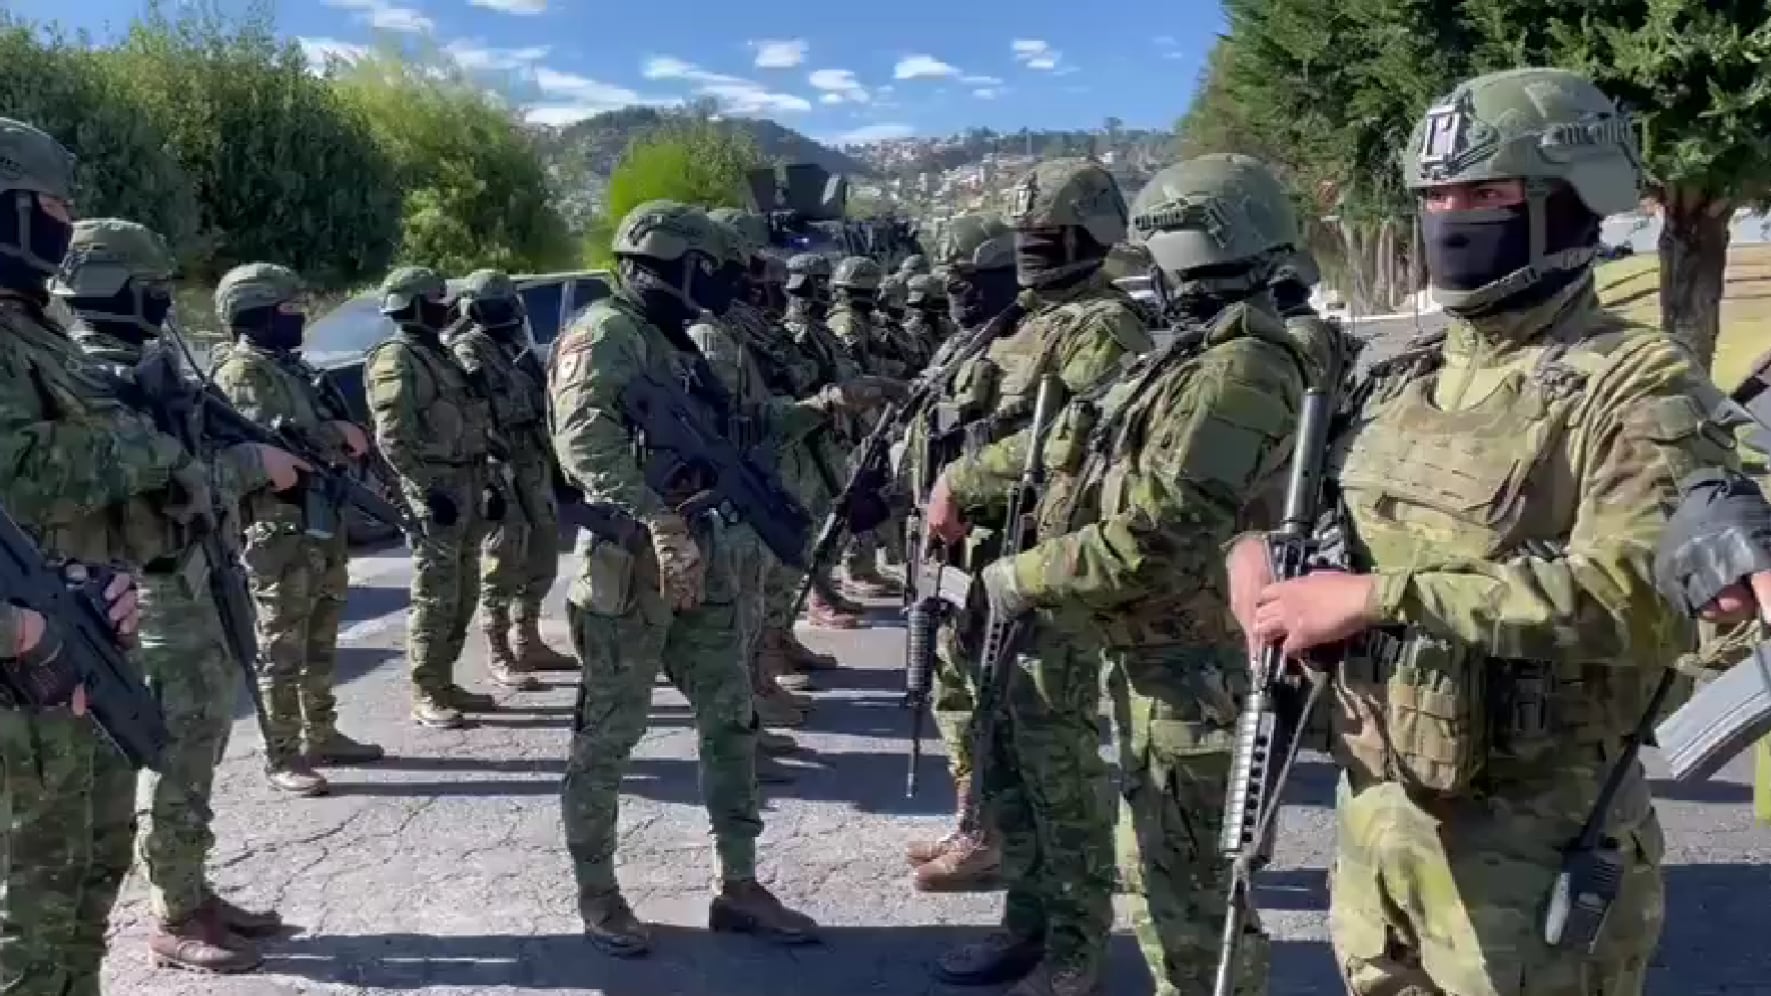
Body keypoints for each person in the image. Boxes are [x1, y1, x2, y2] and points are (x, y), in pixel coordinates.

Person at [1230, 67, 1734, 996]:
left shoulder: (1633, 383)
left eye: (1484, 194)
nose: (1448, 218)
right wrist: (1254, 561)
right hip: (1378, 825)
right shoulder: (1401, 377)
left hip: (1531, 851)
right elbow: (1306, 525)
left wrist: (1378, 598)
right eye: (1434, 197)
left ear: (1570, 199)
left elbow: (1644, 600)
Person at [940, 153, 1348, 996]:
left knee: (1189, 905)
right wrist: (964, 478)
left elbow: (1158, 534)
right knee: (1163, 883)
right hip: (1153, 658)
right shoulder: (1191, 353)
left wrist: (1017, 576)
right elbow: (1072, 443)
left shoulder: (1241, 368)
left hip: (1198, 672)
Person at [549, 199, 818, 957]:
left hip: (707, 561)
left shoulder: (676, 341)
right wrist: (657, 523)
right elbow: (583, 446)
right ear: (685, 264)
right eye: (717, 270)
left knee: (731, 720)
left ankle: (739, 885)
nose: (728, 284)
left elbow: (735, 431)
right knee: (608, 737)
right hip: (631, 570)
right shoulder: (604, 333)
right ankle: (599, 895)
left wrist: (823, 407)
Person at [921, 158, 1155, 994]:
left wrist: (962, 479)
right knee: (1004, 764)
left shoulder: (1104, 329)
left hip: (1047, 583)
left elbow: (1082, 446)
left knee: (1061, 775)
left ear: (1091, 237)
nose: (1028, 248)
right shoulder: (1021, 323)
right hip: (986, 572)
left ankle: (1075, 948)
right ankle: (1026, 922)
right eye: (1022, 233)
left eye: (1045, 234)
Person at [58, 219, 309, 972]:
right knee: (174, 755)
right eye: (154, 286)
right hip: (158, 596)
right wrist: (252, 466)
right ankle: (173, 913)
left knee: (201, 749)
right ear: (119, 288)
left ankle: (192, 890)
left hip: (195, 582)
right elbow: (150, 486)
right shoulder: (93, 376)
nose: (164, 300)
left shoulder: (140, 365)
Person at [210, 261, 386, 796]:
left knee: (321, 632)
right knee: (281, 644)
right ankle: (282, 753)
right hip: (277, 527)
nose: (298, 317)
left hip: (316, 519)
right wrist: (335, 433)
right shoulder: (243, 372)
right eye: (288, 308)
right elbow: (269, 439)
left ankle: (322, 731)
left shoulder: (290, 369)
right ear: (256, 313)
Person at [900, 211, 1019, 887]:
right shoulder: (960, 346)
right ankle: (972, 821)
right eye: (949, 279)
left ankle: (991, 835)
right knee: (954, 689)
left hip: (994, 548)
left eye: (970, 279)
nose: (956, 292)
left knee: (994, 698)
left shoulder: (1023, 344)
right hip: (945, 551)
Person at [364, 266, 499, 729]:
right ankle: (426, 690)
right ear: (416, 305)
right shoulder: (396, 359)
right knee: (435, 596)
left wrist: (490, 482)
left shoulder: (437, 353)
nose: (447, 307)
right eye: (438, 300)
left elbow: (471, 420)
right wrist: (425, 488)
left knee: (464, 592)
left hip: (467, 482)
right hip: (436, 491)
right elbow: (392, 437)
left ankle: (445, 680)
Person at [448, 269, 577, 691]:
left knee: (543, 547)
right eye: (496, 305)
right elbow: (472, 410)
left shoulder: (513, 345)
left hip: (532, 456)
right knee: (503, 555)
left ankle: (528, 638)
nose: (507, 312)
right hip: (497, 460)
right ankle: (499, 650)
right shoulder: (467, 350)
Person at [781, 252, 866, 630]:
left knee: (832, 518)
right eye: (818, 282)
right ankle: (815, 598)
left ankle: (825, 590)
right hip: (811, 440)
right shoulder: (797, 332)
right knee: (816, 523)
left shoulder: (818, 330)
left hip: (830, 434)